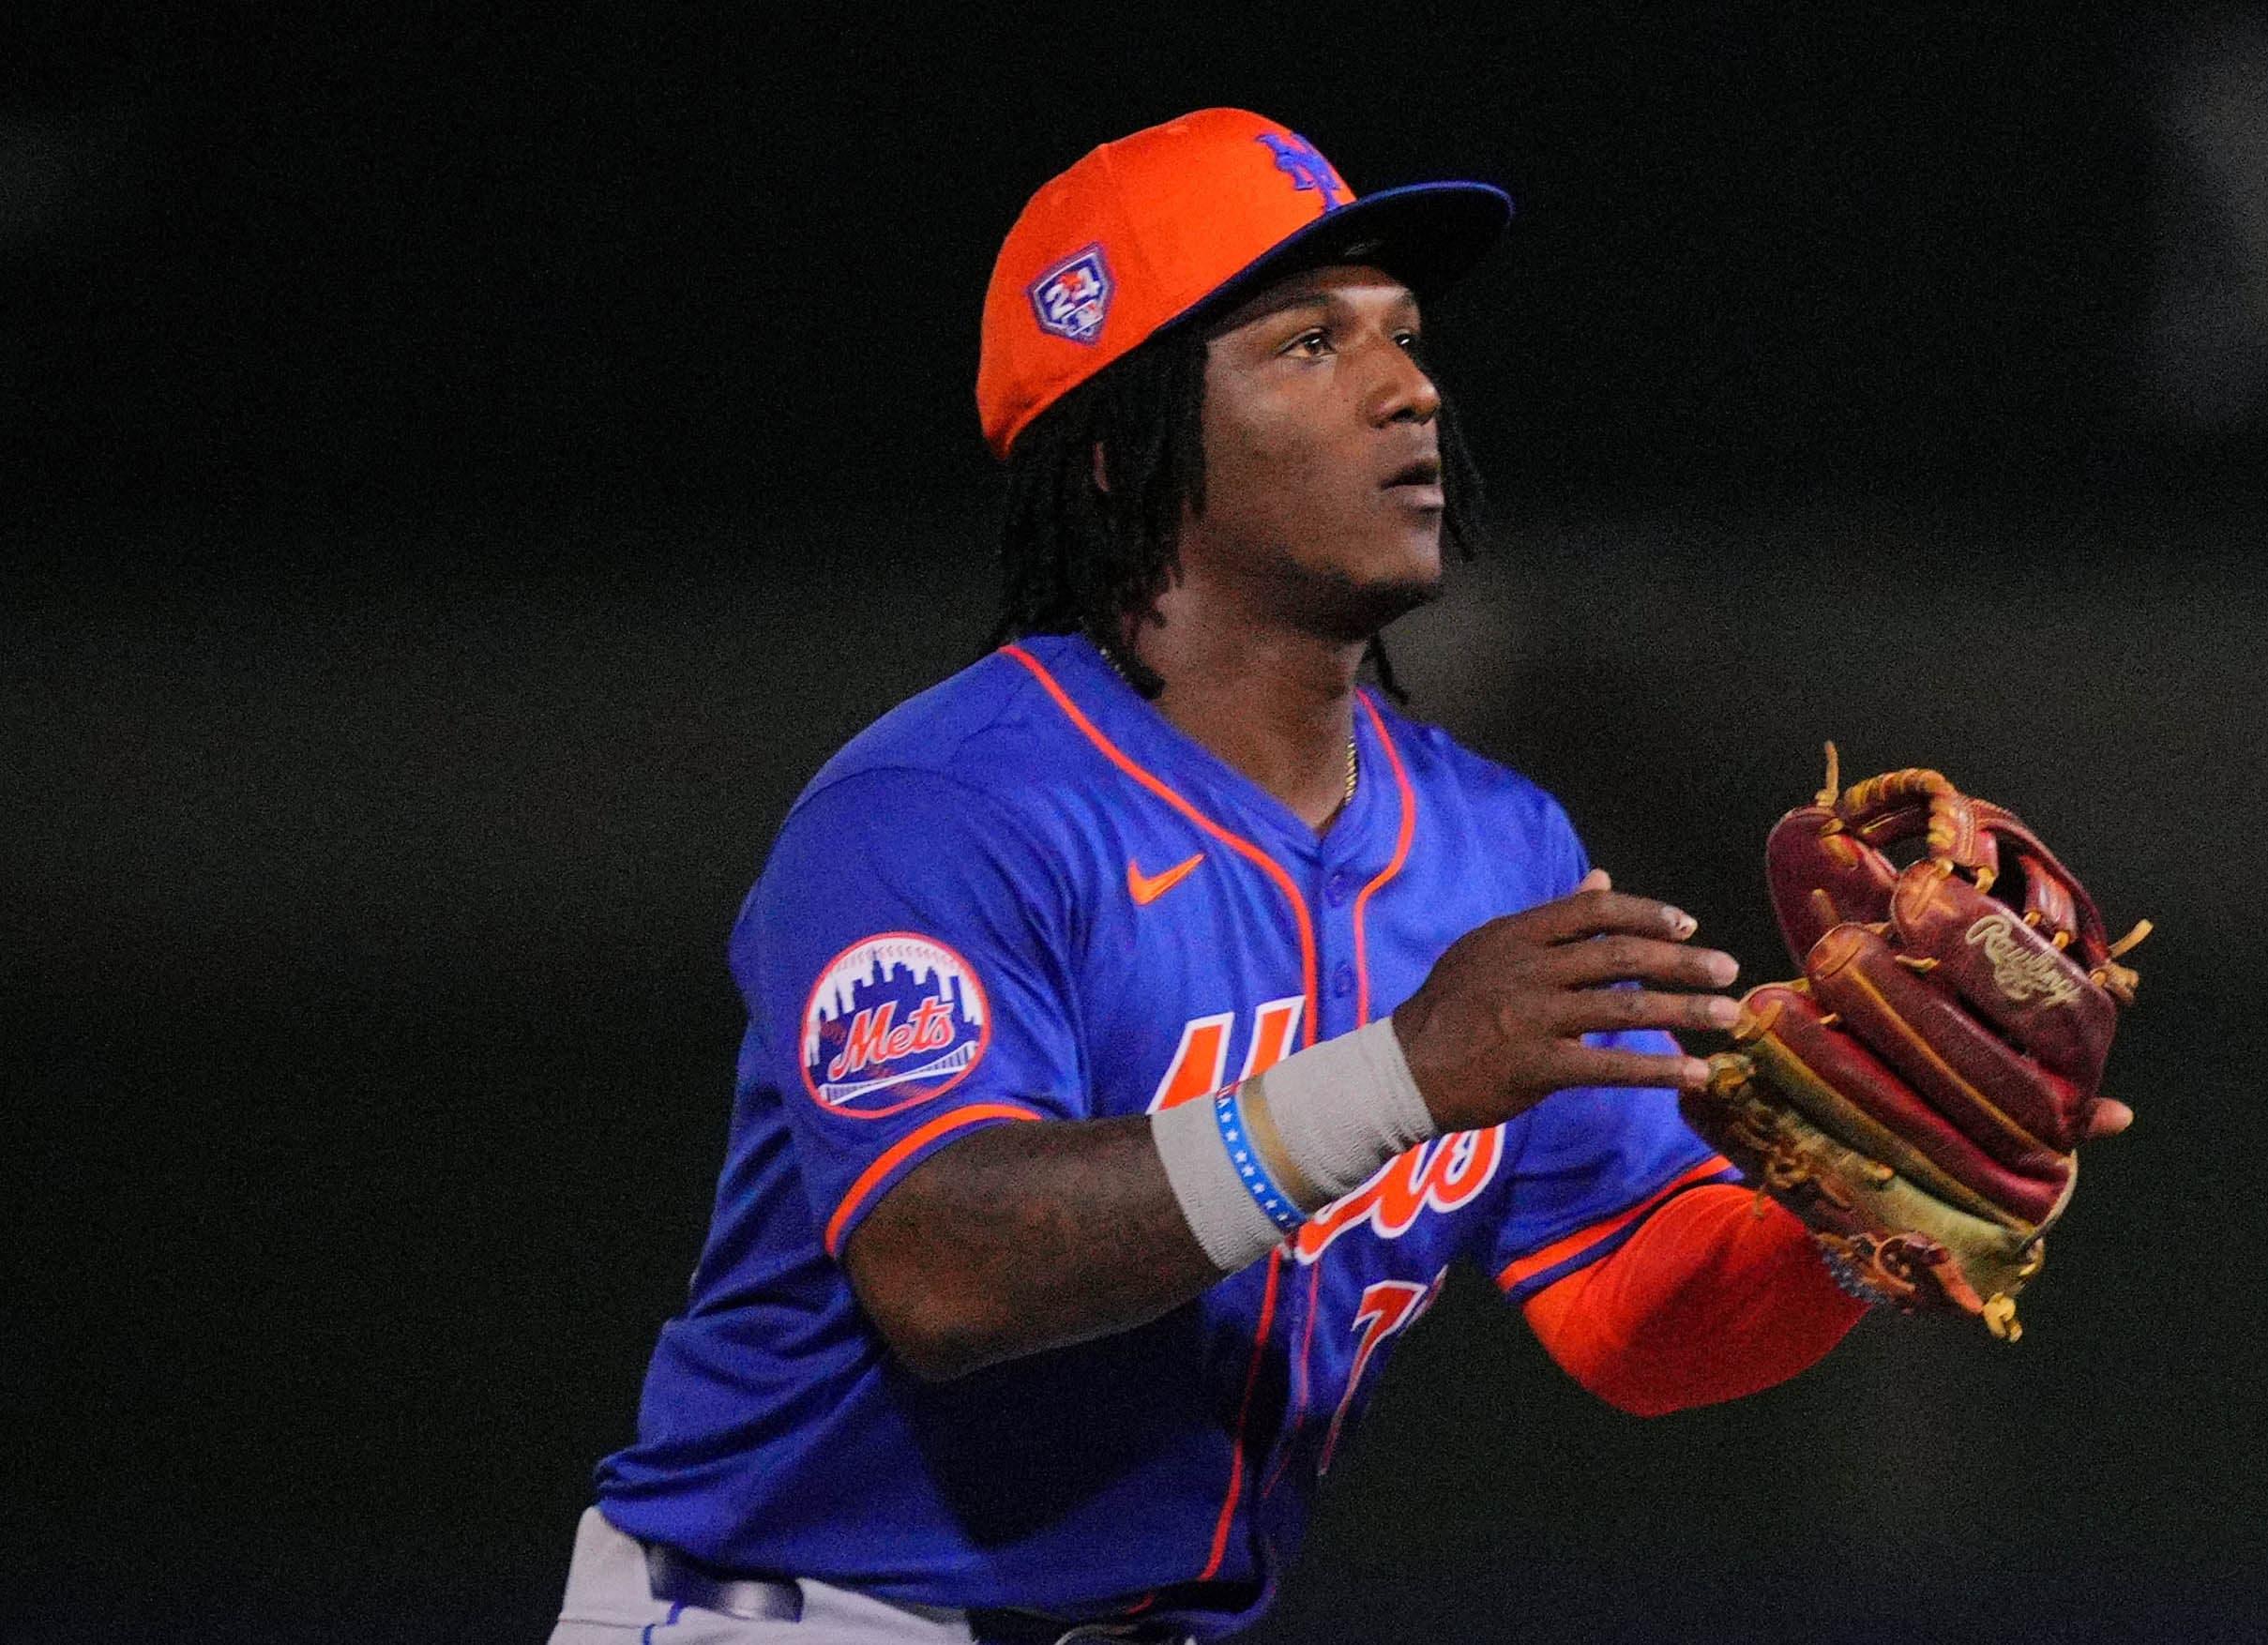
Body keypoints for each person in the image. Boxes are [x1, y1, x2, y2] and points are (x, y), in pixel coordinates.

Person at [550, 109, 1868, 1645]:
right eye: (1309, 343)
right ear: (1119, 452)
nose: (1410, 390)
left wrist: (1853, 1210)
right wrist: (1398, 1075)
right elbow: (943, 1268)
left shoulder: (1492, 846)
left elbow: (1636, 1304)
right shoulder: (944, 808)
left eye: (1405, 335)